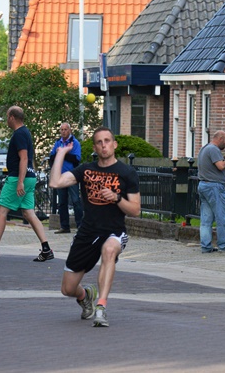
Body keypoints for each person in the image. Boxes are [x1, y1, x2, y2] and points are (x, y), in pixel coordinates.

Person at [49, 126, 141, 327]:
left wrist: (117, 198)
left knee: (109, 250)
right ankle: (85, 295)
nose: (103, 145)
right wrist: (61, 153)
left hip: (114, 231)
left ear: (115, 145)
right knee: (67, 289)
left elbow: (135, 210)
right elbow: (55, 182)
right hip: (88, 232)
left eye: (107, 141)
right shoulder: (86, 170)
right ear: (94, 148)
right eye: (99, 142)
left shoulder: (127, 173)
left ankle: (101, 307)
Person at [0, 106, 54, 262]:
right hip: (30, 176)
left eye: (7, 117)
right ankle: (46, 249)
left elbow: (23, 158)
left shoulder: (19, 134)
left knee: (1, 211)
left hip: (18, 177)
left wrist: (19, 182)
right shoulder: (26, 132)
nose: (6, 120)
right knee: (29, 213)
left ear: (12, 117)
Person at [197, 130, 225, 253]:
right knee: (222, 217)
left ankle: (206, 246)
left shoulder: (204, 148)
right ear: (220, 139)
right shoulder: (214, 149)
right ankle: (224, 245)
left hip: (203, 184)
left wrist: (224, 161)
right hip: (214, 186)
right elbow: (221, 166)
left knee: (206, 219)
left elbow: (214, 166)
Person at [49, 122, 84, 234]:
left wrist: (63, 153)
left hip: (71, 176)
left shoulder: (75, 143)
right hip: (60, 176)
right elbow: (52, 157)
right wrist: (59, 153)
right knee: (62, 202)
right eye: (62, 130)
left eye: (65, 129)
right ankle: (64, 226)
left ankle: (80, 225)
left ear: (70, 130)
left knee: (75, 201)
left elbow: (76, 159)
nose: (63, 132)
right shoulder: (58, 143)